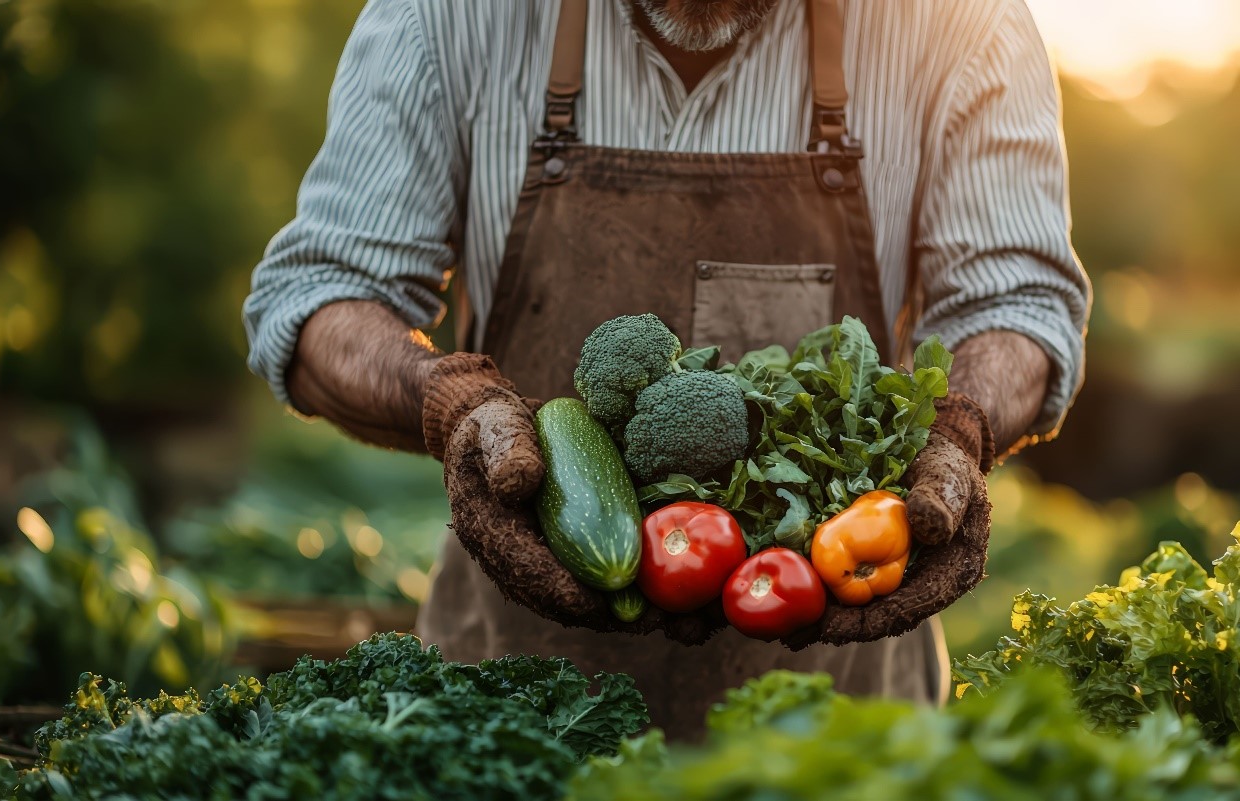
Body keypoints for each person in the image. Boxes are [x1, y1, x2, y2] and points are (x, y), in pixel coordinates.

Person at [243, 0, 1090, 738]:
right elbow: (322, 299)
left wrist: (960, 424)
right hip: (509, 708)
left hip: (839, 735)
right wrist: (447, 400)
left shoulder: (959, 19)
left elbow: (1016, 306)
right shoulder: (450, 14)